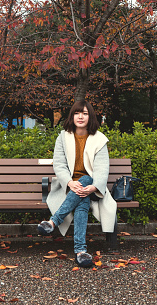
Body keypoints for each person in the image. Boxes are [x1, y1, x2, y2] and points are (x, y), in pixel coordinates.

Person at [38, 100, 117, 268]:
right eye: (77, 113)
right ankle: (80, 252)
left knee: (87, 180)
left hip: (92, 187)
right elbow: (59, 164)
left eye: (85, 113)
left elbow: (102, 167)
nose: (80, 116)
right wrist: (69, 182)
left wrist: (94, 187)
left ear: (90, 117)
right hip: (67, 186)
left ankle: (53, 222)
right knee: (82, 201)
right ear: (72, 116)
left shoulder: (99, 139)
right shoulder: (63, 137)